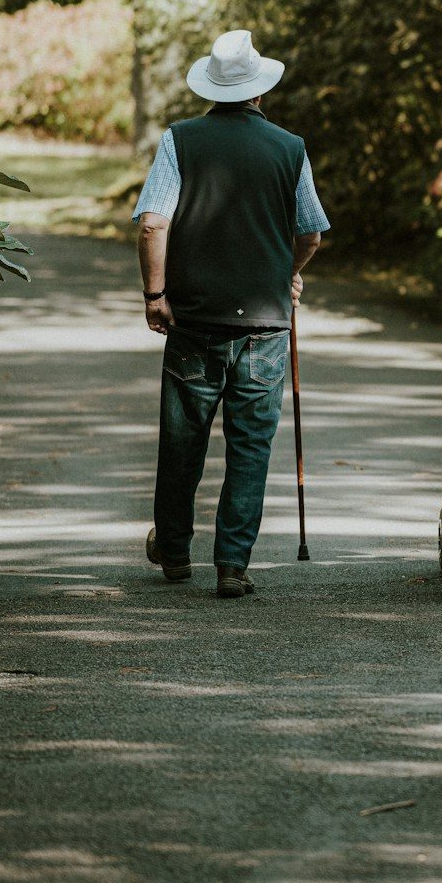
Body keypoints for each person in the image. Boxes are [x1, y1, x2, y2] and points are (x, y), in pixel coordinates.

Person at [134, 30, 330, 599]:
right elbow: (311, 233)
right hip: (266, 326)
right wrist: (284, 272)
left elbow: (152, 222)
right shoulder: (290, 148)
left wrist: (155, 294)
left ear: (211, 89)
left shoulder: (181, 140)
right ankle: (232, 565)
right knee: (250, 448)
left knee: (183, 443)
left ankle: (173, 552)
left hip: (193, 321)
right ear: (260, 91)